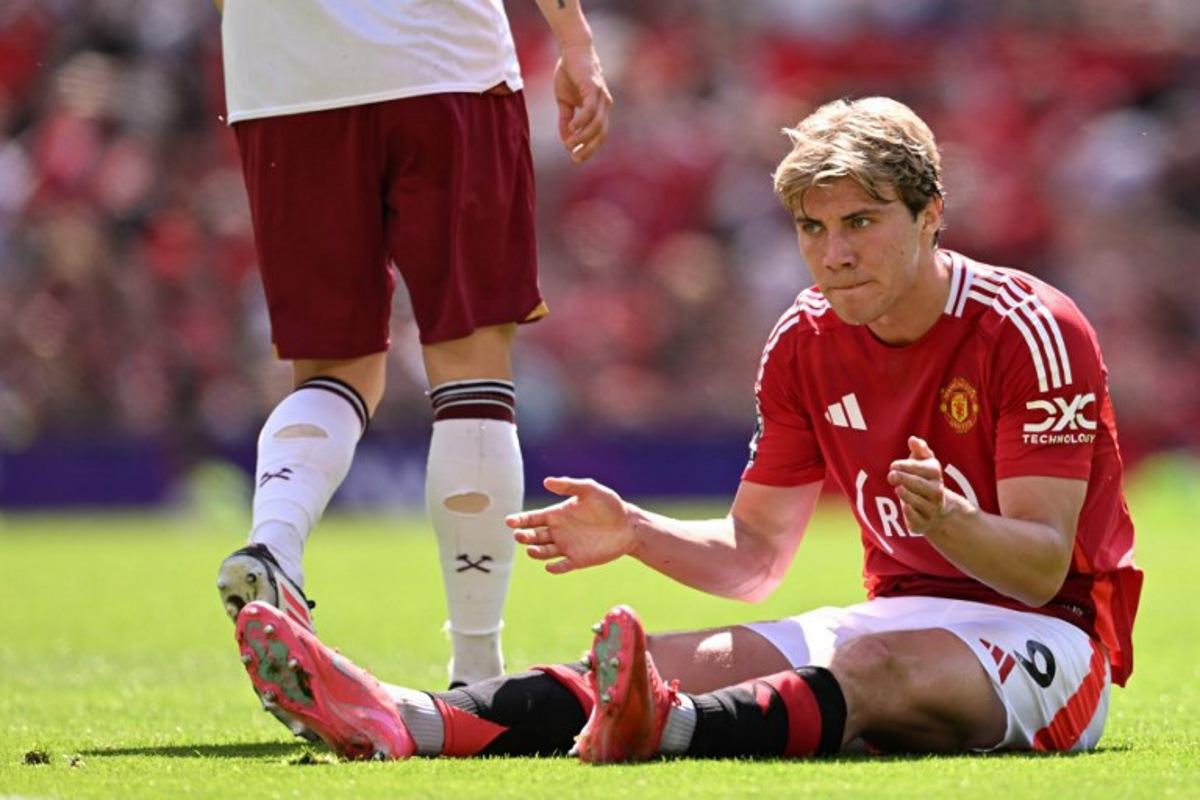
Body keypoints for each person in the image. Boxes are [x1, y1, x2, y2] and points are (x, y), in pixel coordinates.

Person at [229, 96, 1142, 762]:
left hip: (1050, 640)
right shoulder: (804, 338)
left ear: (930, 216)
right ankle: (400, 715)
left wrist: (951, 523)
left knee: (881, 667)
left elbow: (1042, 568)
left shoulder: (1029, 327)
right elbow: (754, 558)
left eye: (861, 222)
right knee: (671, 657)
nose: (834, 253)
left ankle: (666, 730)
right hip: (897, 613)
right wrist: (634, 533)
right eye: (812, 228)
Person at [209, 0, 613, 713]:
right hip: (443, 62)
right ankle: (477, 669)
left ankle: (275, 544)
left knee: (334, 366)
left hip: (283, 79)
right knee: (472, 362)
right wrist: (575, 39)